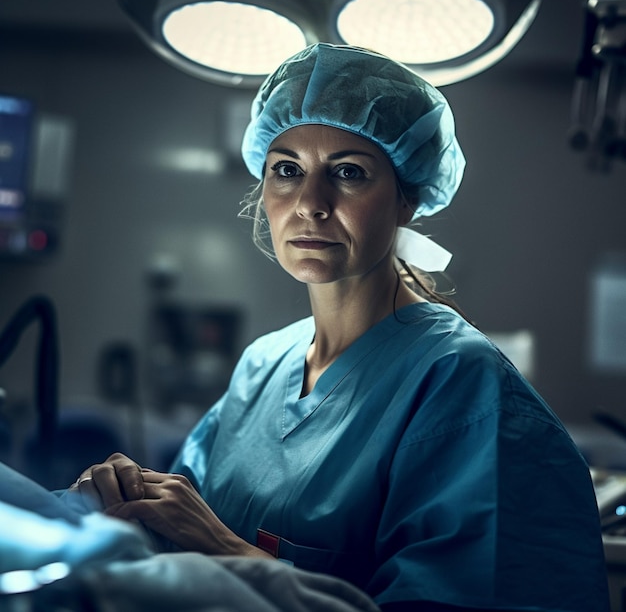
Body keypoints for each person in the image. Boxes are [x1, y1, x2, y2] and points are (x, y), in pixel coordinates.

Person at [67, 43, 610, 611]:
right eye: (287, 171)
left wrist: (225, 546)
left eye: (348, 172)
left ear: (408, 199)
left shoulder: (460, 384)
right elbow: (176, 537)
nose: (310, 203)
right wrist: (128, 501)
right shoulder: (262, 365)